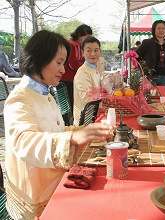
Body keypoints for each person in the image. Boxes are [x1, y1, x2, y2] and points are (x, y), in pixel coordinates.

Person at [4, 30, 111, 219]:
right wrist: (73, 137)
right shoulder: (19, 99)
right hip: (35, 191)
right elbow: (24, 141)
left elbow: (56, 131)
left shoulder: (44, 92)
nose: (63, 70)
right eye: (59, 62)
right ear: (39, 59)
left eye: (63, 63)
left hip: (52, 177)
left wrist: (85, 131)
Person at [73, 36, 106, 125]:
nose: (92, 54)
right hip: (85, 120)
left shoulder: (95, 68)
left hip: (95, 114)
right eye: (88, 50)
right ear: (82, 53)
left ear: (100, 52)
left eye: (96, 50)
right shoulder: (82, 73)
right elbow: (87, 100)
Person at [61, 24, 93, 112]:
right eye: (86, 37)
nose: (87, 40)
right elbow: (72, 64)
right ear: (79, 35)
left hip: (71, 80)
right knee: (69, 105)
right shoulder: (72, 45)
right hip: (67, 80)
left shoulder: (78, 45)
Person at [136, 20, 165, 87]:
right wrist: (143, 70)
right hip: (150, 77)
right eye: (158, 28)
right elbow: (136, 56)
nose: (161, 30)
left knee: (163, 97)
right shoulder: (147, 43)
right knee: (150, 96)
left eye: (163, 28)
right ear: (154, 30)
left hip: (164, 77)